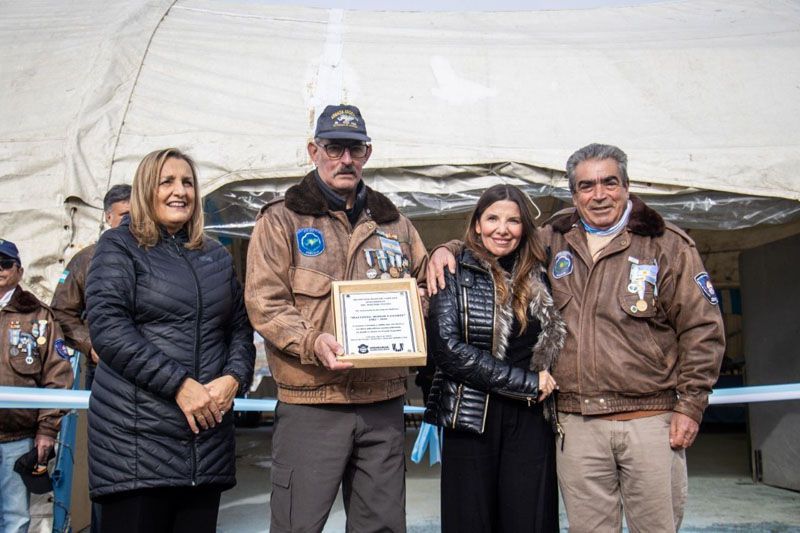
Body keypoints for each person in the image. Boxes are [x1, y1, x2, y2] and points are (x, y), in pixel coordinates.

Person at [427, 143, 725, 532]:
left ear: (627, 185)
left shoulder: (667, 245)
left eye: (609, 182)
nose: (598, 194)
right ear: (574, 194)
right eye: (586, 186)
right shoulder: (555, 240)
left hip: (649, 417)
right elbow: (492, 244)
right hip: (578, 422)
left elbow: (703, 329)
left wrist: (690, 405)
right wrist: (444, 249)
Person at [245, 104, 429, 533]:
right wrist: (313, 342)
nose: (345, 159)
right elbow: (264, 302)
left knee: (381, 526)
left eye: (354, 148)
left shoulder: (395, 224)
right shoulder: (281, 220)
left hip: (382, 402)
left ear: (367, 153)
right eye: (334, 148)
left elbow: (426, 284)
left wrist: (422, 296)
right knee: (297, 525)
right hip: (312, 402)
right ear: (314, 150)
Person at [84, 148, 255, 533]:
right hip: (136, 448)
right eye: (168, 181)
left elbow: (240, 328)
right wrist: (179, 385)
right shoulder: (118, 246)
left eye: (188, 182)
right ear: (147, 189)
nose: (180, 191)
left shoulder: (215, 256)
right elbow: (109, 329)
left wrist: (233, 378)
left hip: (204, 445)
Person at [423, 184, 565, 532]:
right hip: (472, 415)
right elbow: (448, 350)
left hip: (530, 419)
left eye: (513, 220)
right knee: (472, 519)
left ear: (524, 228)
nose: (502, 229)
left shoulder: (542, 273)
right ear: (476, 224)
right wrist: (526, 383)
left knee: (527, 519)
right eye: (493, 218)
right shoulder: (452, 271)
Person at [1, 238, 73, 533]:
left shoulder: (39, 316)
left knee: (15, 516)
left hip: (18, 438)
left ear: (19, 270)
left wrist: (46, 430)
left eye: (5, 264)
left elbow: (57, 375)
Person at [51, 184, 131, 390]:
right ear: (108, 217)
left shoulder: (157, 255)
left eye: (137, 214)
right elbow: (61, 312)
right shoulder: (86, 260)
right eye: (124, 214)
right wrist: (90, 344)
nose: (132, 220)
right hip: (106, 369)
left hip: (154, 369)